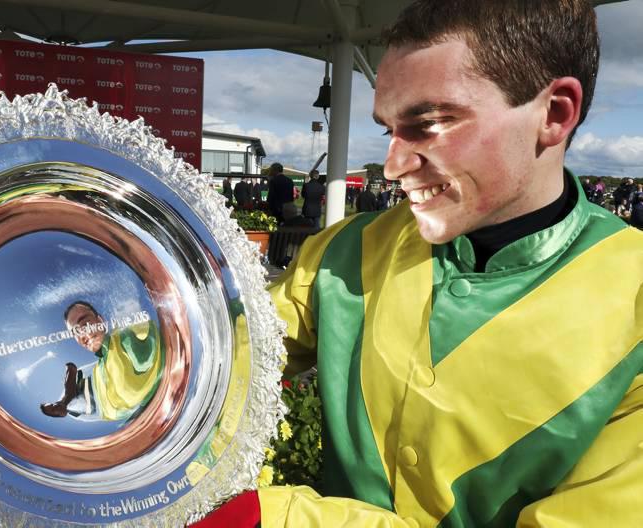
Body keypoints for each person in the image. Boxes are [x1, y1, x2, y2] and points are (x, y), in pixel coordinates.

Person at [194, 1, 643, 526]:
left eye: (428, 125)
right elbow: (207, 361)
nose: (391, 166)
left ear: (555, 113)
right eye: (388, 130)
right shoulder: (345, 249)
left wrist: (277, 517)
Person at [40, 301, 161, 420]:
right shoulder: (104, 358)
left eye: (84, 323)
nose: (82, 333)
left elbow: (144, 345)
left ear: (101, 321)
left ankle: (64, 401)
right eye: (75, 332)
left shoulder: (123, 335)